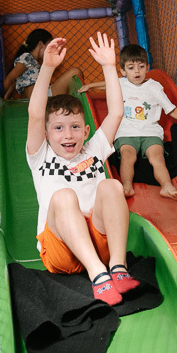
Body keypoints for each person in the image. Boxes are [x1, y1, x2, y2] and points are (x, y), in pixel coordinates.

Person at [26, 33, 139, 306]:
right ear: (46, 134)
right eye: (59, 128)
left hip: (98, 241)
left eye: (75, 127)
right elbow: (36, 114)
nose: (68, 134)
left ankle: (118, 268)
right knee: (64, 196)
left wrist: (109, 66)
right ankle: (98, 275)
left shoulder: (93, 149)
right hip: (61, 251)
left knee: (111, 185)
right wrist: (48, 67)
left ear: (86, 131)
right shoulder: (40, 156)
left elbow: (116, 112)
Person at [80, 44, 177, 200]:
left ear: (147, 67)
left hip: (151, 132)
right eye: (131, 68)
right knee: (127, 155)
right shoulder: (120, 83)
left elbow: (170, 109)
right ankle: (127, 186)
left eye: (141, 66)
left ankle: (167, 186)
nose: (137, 71)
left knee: (157, 157)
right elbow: (108, 84)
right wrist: (90, 86)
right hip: (126, 132)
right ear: (123, 71)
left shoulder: (154, 87)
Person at [4, 28, 82, 100]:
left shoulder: (34, 62)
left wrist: (6, 98)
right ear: (41, 44)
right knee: (75, 71)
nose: (52, 49)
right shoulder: (27, 57)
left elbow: (13, 82)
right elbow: (10, 79)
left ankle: (74, 101)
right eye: (49, 45)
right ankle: (77, 101)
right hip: (42, 97)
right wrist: (0, 98)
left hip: (43, 95)